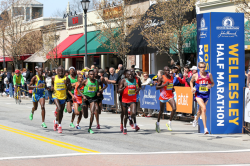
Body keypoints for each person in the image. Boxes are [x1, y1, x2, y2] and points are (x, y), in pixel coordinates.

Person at [190, 62, 214, 135]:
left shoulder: (209, 75)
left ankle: (196, 119)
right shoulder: (195, 75)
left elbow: (213, 83)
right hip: (198, 95)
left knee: (200, 111)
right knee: (204, 108)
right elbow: (191, 82)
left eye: (204, 67)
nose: (203, 68)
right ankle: (205, 128)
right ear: (198, 67)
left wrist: (210, 86)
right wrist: (191, 88)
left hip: (206, 95)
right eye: (201, 67)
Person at [118, 70, 140, 135]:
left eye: (131, 74)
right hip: (124, 100)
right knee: (125, 115)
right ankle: (124, 127)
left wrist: (137, 90)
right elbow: (118, 91)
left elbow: (137, 87)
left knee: (134, 113)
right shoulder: (123, 81)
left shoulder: (135, 80)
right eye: (129, 75)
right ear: (126, 75)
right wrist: (124, 87)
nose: (130, 76)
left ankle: (130, 118)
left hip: (132, 99)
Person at [155, 66, 176, 133]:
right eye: (166, 70)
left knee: (174, 108)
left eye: (168, 70)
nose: (167, 71)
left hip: (170, 95)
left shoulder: (172, 77)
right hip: (163, 96)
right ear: (164, 71)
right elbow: (157, 87)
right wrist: (164, 85)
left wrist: (172, 88)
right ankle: (157, 123)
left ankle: (169, 122)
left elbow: (171, 86)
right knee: (161, 111)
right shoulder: (161, 78)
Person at [51, 66, 72, 133]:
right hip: (55, 96)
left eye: (62, 71)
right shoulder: (54, 77)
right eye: (59, 71)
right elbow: (51, 85)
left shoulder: (67, 78)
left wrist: (67, 83)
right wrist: (51, 88)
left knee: (61, 113)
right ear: (57, 71)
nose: (60, 72)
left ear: (64, 72)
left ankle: (56, 122)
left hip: (63, 97)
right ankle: (59, 126)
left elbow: (70, 88)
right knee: (59, 109)